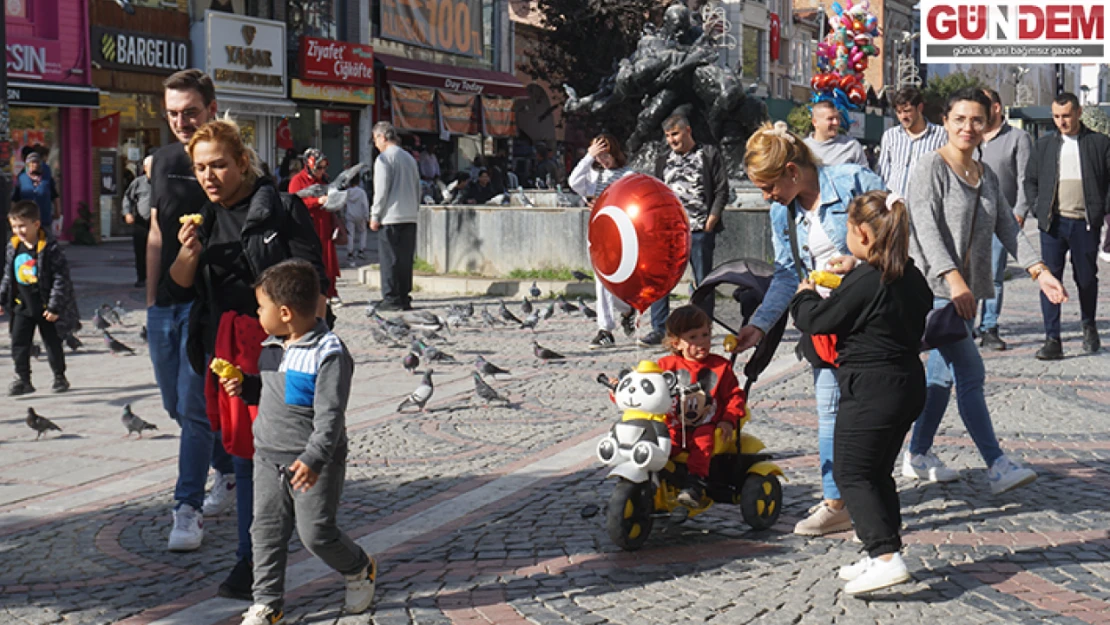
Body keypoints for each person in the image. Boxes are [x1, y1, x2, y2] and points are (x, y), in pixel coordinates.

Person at [169, 115, 330, 602]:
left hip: (277, 349)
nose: (208, 177)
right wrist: (188, 255)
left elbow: (313, 283)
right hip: (225, 352)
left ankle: (257, 560)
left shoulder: (281, 209)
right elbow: (177, 286)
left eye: (218, 165)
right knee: (246, 456)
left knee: (263, 459)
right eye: (200, 169)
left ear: (242, 161)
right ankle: (258, 554)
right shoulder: (204, 218)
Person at [906, 88, 1067, 493]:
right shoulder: (930, 167)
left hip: (968, 293)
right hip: (935, 291)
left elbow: (1008, 229)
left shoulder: (985, 174)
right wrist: (954, 280)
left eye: (976, 120)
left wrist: (1039, 270)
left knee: (940, 378)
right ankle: (996, 464)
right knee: (971, 372)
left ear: (988, 122)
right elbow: (924, 229)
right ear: (946, 121)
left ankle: (918, 452)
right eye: (960, 119)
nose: (968, 127)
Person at [730, 120, 885, 536]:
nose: (766, 197)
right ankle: (836, 502)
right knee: (829, 411)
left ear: (792, 172)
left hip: (871, 320)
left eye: (768, 187)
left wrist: (860, 259)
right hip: (826, 326)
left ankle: (872, 496)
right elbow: (785, 274)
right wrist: (758, 326)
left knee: (875, 414)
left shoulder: (855, 181)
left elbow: (896, 237)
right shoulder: (783, 212)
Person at [218, 259, 375, 625]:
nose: (257, 314)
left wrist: (315, 457)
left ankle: (359, 567)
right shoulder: (273, 345)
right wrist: (246, 386)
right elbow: (274, 390)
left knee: (316, 533)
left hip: (312, 462)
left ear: (285, 312)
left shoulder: (330, 353)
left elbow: (330, 416)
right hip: (268, 457)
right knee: (265, 531)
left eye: (261, 307)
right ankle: (268, 603)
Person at [790, 191, 932, 594]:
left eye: (849, 231)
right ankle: (879, 551)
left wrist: (802, 292)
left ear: (864, 234)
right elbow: (885, 291)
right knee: (875, 472)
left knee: (851, 473)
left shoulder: (867, 281)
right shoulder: (908, 273)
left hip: (871, 389)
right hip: (906, 384)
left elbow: (817, 320)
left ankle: (886, 557)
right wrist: (856, 268)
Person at [146, 69, 236, 558]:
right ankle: (224, 470)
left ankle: (187, 507)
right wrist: (150, 302)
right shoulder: (158, 162)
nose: (181, 121)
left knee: (195, 406)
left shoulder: (231, 163)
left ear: (211, 108)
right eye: (173, 113)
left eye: (191, 112)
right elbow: (157, 233)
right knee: (176, 407)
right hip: (167, 302)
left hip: (211, 304)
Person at [1024, 92, 1110, 360]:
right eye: (1057, 116)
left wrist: (1100, 210)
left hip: (1085, 223)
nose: (1061, 121)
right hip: (1053, 224)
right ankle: (1053, 338)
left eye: (1066, 116)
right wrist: (1038, 208)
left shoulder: (1099, 144)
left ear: (1078, 113)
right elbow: (1030, 180)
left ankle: (1089, 326)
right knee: (1050, 279)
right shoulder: (1044, 146)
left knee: (1086, 278)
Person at [640, 113, 729, 347]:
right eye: (668, 136)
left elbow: (721, 189)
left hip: (699, 230)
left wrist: (712, 218)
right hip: (669, 233)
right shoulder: (663, 158)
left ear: (688, 131)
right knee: (661, 281)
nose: (672, 140)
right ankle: (659, 329)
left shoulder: (708, 154)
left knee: (703, 283)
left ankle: (703, 328)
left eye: (675, 134)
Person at [658, 305, 744, 507]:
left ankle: (695, 483)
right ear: (676, 343)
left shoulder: (720, 366)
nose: (702, 342)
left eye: (705, 334)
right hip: (674, 423)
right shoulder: (666, 365)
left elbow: (734, 396)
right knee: (660, 444)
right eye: (693, 337)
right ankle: (658, 477)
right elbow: (646, 386)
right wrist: (621, 387)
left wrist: (728, 420)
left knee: (702, 443)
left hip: (706, 423)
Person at [977, 88, 1034, 351]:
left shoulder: (1018, 138)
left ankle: (989, 326)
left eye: (983, 104)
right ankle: (964, 325)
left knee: (993, 275)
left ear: (997, 108)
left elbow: (1025, 179)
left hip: (1002, 217)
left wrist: (1020, 210)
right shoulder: (971, 136)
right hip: (968, 216)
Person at [0, 199, 77, 395]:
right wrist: (2, 298)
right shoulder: (13, 247)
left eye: (23, 226)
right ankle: (23, 379)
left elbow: (61, 278)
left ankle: (59, 377)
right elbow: (9, 275)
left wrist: (54, 307)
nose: (19, 231)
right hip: (21, 305)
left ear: (36, 224)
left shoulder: (50, 248)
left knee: (52, 342)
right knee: (18, 342)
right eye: (15, 227)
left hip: (45, 306)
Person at [568, 133, 637, 348]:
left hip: (621, 235)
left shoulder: (628, 175)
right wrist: (589, 157)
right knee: (602, 280)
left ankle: (613, 322)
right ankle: (614, 320)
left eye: (605, 155)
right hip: (599, 234)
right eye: (599, 156)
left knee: (610, 282)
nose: (602, 160)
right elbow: (573, 182)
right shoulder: (593, 175)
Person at [370, 121, 421, 312]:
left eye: (375, 139)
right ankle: (404, 297)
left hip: (390, 216)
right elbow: (418, 186)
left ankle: (391, 298)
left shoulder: (384, 159)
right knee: (405, 259)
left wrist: (375, 215)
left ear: (382, 137)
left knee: (389, 259)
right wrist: (415, 209)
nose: (375, 144)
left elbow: (381, 190)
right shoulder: (409, 158)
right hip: (409, 215)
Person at [288, 149, 342, 307]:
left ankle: (331, 292)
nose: (322, 171)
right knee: (309, 261)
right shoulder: (297, 181)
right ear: (309, 166)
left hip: (325, 225)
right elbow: (293, 202)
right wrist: (316, 201)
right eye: (319, 168)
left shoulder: (325, 180)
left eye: (324, 168)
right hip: (306, 227)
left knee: (329, 261)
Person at [874, 87, 947, 196]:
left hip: (924, 205)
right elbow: (883, 173)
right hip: (893, 205)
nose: (903, 116)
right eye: (899, 112)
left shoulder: (940, 135)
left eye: (907, 111)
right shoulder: (890, 136)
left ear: (920, 108)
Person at [803, 101, 870, 167]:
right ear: (815, 122)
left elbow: (865, 176)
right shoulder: (803, 148)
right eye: (830, 119)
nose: (836, 122)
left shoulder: (851, 146)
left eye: (837, 118)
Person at [123, 155, 153, 289]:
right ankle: (142, 278)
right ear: (145, 168)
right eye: (151, 167)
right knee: (141, 251)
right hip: (141, 223)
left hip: (159, 223)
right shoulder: (138, 182)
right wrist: (127, 213)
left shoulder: (163, 182)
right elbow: (127, 198)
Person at [11, 152, 60, 234]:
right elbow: (15, 198)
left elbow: (55, 196)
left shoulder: (46, 178)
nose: (35, 164)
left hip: (44, 217)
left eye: (37, 162)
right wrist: (14, 216)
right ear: (27, 164)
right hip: (26, 218)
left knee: (46, 241)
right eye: (32, 162)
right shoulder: (22, 178)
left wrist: (57, 212)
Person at [344, 180, 370, 268]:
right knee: (363, 232)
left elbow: (343, 204)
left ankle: (350, 252)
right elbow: (365, 204)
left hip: (350, 215)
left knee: (350, 234)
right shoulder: (362, 192)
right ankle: (361, 250)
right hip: (360, 215)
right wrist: (367, 216)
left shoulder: (347, 192)